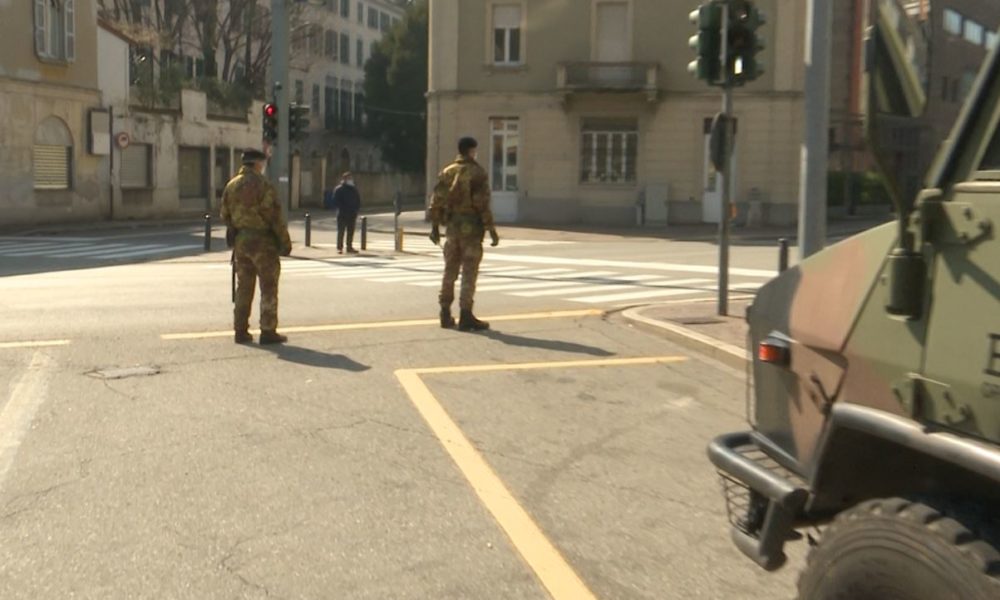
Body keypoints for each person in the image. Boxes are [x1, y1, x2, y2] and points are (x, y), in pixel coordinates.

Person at [220, 149, 292, 345]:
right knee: (268, 286)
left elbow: (224, 214)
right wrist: (285, 242)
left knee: (244, 287)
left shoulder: (231, 185)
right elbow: (274, 217)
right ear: (258, 163)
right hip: (263, 243)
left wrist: (236, 231)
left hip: (241, 242)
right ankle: (268, 331)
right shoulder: (264, 185)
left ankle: (240, 330)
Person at [429, 136, 500, 331]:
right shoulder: (478, 173)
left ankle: (444, 312)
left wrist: (435, 227)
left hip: (452, 228)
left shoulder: (448, 172)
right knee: (469, 271)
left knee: (449, 270)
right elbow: (481, 203)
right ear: (471, 151)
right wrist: (491, 229)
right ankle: (466, 314)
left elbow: (436, 201)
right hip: (472, 230)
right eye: (475, 150)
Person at [333, 171, 361, 254]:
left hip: (352, 213)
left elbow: (357, 200)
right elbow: (335, 201)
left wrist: (356, 209)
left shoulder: (353, 189)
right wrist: (343, 208)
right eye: (349, 178)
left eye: (351, 178)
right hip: (342, 213)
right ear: (344, 179)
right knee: (341, 231)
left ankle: (349, 247)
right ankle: (339, 248)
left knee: (350, 231)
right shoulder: (339, 189)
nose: (350, 180)